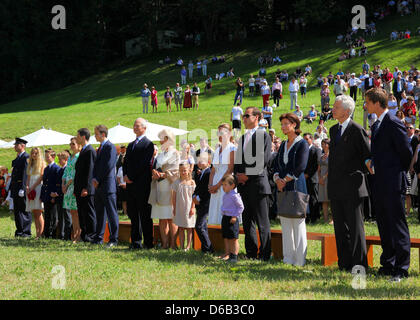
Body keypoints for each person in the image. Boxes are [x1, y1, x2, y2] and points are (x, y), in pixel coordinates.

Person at [365, 87, 412, 282]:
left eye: (367, 102)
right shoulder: (376, 125)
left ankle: (402, 268)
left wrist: (392, 170)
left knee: (397, 224)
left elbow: (406, 153)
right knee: (383, 223)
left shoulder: (393, 122)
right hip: (380, 182)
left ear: (377, 103)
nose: (365, 106)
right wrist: (372, 162)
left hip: (393, 182)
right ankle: (388, 263)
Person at [328, 95, 371, 272]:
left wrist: (354, 173)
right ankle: (344, 263)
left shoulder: (357, 129)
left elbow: (367, 157)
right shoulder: (333, 130)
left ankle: (359, 264)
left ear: (347, 111)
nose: (333, 109)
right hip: (336, 186)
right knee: (339, 226)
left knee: (355, 227)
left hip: (353, 187)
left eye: (336, 107)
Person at [234, 107, 272, 261]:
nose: (243, 118)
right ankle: (251, 253)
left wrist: (247, 175)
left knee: (262, 222)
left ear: (256, 117)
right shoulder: (242, 138)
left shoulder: (264, 135)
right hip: (244, 185)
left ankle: (264, 254)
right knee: (247, 220)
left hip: (258, 183)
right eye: (243, 116)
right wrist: (238, 176)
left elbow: (263, 160)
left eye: (247, 115)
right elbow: (238, 161)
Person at [272, 113, 309, 266]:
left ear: (294, 125)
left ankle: (299, 260)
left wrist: (285, 180)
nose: (283, 126)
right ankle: (288, 259)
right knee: (286, 223)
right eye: (282, 124)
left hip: (296, 187)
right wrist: (277, 179)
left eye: (286, 123)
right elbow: (276, 165)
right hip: (283, 188)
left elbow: (301, 166)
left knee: (298, 223)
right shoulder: (283, 145)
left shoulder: (302, 144)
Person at [123, 118, 155, 250]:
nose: (135, 128)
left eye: (137, 126)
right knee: (133, 214)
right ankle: (135, 241)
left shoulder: (148, 144)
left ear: (144, 128)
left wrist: (131, 176)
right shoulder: (130, 145)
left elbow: (144, 164)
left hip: (142, 184)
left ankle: (148, 242)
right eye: (134, 125)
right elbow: (126, 162)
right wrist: (125, 175)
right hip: (130, 185)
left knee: (145, 214)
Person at [149, 129, 180, 250]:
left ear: (167, 139)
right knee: (162, 218)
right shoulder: (160, 154)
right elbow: (156, 169)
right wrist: (155, 174)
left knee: (171, 217)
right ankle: (164, 243)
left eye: (161, 138)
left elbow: (176, 172)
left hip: (170, 188)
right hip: (159, 188)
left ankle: (173, 243)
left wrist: (162, 175)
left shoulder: (176, 153)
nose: (160, 141)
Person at [92, 125, 119, 247]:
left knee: (111, 213)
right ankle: (99, 237)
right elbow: (96, 166)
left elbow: (108, 166)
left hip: (107, 185)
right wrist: (94, 179)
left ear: (103, 134)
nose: (95, 136)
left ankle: (113, 239)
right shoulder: (100, 148)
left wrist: (97, 179)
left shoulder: (110, 147)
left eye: (96, 134)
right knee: (100, 213)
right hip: (98, 186)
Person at [208, 124, 236, 228]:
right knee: (215, 217)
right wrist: (210, 185)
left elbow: (230, 169)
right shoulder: (217, 150)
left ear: (229, 134)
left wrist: (218, 185)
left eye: (222, 132)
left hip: (226, 184)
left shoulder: (232, 148)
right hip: (215, 186)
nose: (219, 135)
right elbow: (213, 170)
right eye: (218, 133)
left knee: (225, 217)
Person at [74, 128, 97, 243]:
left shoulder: (90, 151)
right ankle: (84, 235)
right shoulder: (83, 150)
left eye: (78, 136)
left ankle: (91, 235)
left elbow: (90, 171)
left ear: (83, 137)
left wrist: (87, 188)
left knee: (89, 212)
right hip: (79, 188)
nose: (76, 138)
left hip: (86, 189)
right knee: (82, 212)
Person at [171, 163, 196, 251]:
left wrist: (193, 207)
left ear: (189, 170)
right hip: (180, 208)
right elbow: (173, 197)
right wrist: (174, 208)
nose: (183, 172)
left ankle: (188, 246)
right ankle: (182, 246)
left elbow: (194, 197)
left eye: (185, 170)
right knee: (181, 227)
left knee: (189, 228)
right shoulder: (176, 182)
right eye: (181, 170)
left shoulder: (192, 182)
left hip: (189, 208)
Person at [192, 154, 214, 254]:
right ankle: (205, 248)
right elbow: (197, 187)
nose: (199, 162)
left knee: (199, 226)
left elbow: (206, 189)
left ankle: (208, 247)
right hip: (199, 203)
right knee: (203, 226)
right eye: (199, 160)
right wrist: (194, 196)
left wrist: (199, 198)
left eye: (202, 161)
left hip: (205, 202)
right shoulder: (200, 173)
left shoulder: (209, 173)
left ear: (209, 163)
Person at [220, 174, 244, 263]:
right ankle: (228, 254)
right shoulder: (225, 195)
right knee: (227, 236)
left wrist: (234, 216)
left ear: (232, 185)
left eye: (225, 185)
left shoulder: (235, 196)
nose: (223, 187)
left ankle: (234, 256)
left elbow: (241, 207)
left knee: (233, 238)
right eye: (222, 185)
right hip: (225, 218)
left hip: (232, 219)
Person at [10, 138, 31, 238]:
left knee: (24, 210)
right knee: (17, 210)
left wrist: (23, 187)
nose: (14, 146)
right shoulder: (18, 157)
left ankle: (26, 231)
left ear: (22, 146)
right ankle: (19, 230)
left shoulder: (26, 157)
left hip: (20, 186)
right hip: (15, 187)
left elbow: (25, 174)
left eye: (16, 145)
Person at [62, 137, 81, 243]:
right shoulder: (70, 158)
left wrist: (67, 184)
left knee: (77, 212)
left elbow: (75, 173)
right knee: (72, 211)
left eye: (73, 144)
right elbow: (66, 172)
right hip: (67, 187)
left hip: (73, 186)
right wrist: (63, 184)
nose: (71, 146)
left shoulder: (79, 156)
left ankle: (78, 235)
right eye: (71, 144)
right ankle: (74, 234)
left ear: (79, 145)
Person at [41, 148, 61, 239]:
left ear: (53, 157)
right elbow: (44, 183)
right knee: (47, 215)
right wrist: (42, 195)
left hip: (52, 195)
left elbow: (57, 183)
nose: (46, 158)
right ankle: (46, 233)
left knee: (53, 215)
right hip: (46, 194)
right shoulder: (46, 169)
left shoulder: (56, 169)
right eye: (45, 157)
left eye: (47, 156)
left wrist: (55, 195)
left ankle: (52, 233)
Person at [26, 147, 45, 239]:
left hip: (38, 188)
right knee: (34, 212)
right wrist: (27, 187)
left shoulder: (42, 163)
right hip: (31, 188)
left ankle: (41, 233)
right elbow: (28, 178)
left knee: (39, 212)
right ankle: (37, 233)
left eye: (36, 153)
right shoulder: (30, 164)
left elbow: (41, 177)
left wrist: (32, 187)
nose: (34, 155)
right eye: (33, 153)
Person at [303, 133, 322, 224]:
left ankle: (315, 217)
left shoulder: (316, 150)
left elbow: (316, 164)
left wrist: (308, 174)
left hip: (312, 178)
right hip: (303, 178)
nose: (305, 141)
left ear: (311, 139)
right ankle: (307, 217)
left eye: (307, 139)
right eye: (304, 139)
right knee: (305, 198)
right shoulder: (302, 150)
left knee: (314, 198)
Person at [57, 151, 72, 241]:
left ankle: (67, 235)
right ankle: (62, 234)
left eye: (60, 160)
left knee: (67, 215)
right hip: (60, 194)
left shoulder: (66, 169)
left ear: (66, 159)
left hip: (66, 193)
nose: (59, 161)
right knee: (61, 215)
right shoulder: (61, 169)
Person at [318, 139, 331, 223]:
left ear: (328, 145)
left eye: (324, 144)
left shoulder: (332, 155)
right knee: (324, 200)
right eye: (322, 144)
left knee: (331, 200)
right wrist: (319, 178)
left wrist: (324, 177)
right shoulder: (321, 156)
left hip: (329, 179)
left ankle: (333, 219)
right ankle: (326, 219)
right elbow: (318, 169)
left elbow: (331, 168)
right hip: (321, 180)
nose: (322, 145)